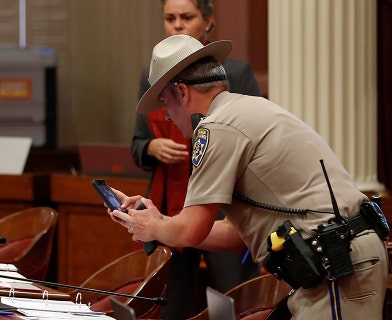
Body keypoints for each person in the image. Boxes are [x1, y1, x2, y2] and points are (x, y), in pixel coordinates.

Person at [111, 34, 388, 319]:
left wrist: (153, 228)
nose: (167, 115)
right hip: (338, 257)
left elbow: (191, 230)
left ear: (182, 92)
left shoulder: (215, 127)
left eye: (165, 103)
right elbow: (235, 234)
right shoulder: (243, 109)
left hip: (337, 263)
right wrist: (161, 222)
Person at [131, 0, 260, 318]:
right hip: (172, 196)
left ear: (208, 22)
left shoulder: (234, 82)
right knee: (169, 298)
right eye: (169, 18)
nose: (176, 24)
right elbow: (136, 144)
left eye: (186, 17)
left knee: (232, 293)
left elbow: (244, 144)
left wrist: (157, 226)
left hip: (224, 204)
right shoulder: (150, 74)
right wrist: (152, 148)